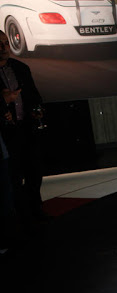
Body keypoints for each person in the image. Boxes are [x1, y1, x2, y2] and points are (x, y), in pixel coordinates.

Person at [0, 30, 46, 223]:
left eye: (5, 43)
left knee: (34, 174)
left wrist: (37, 110)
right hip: (6, 135)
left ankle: (37, 214)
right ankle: (22, 220)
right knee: (14, 179)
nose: (3, 48)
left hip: (27, 129)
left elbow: (34, 96)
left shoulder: (21, 68)